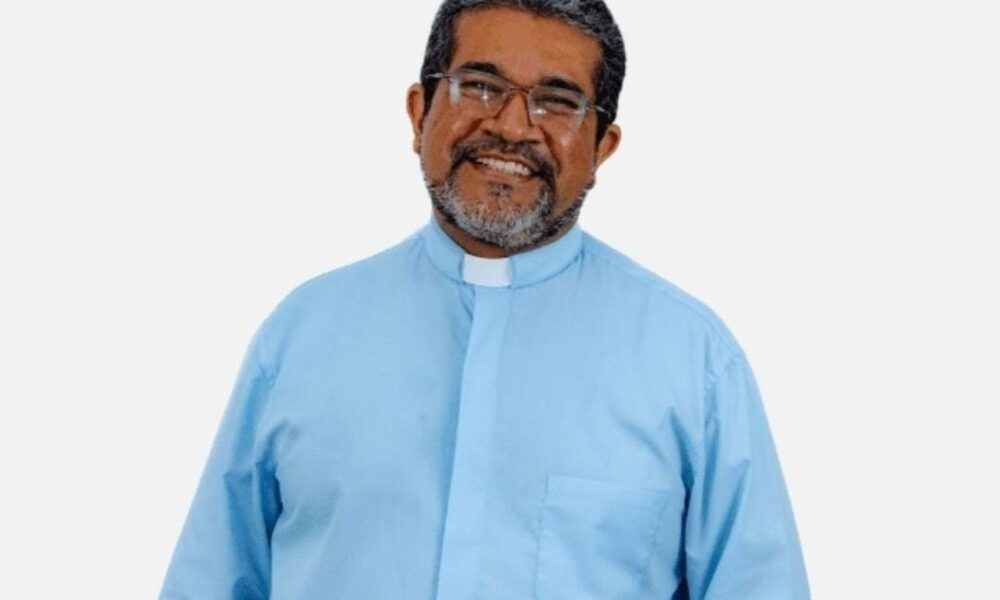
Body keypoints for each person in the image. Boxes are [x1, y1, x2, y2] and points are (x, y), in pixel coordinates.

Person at [159, 1, 811, 598]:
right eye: (479, 86)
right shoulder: (302, 335)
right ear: (419, 111)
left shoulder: (691, 361)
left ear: (602, 147)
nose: (511, 125)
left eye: (557, 102)